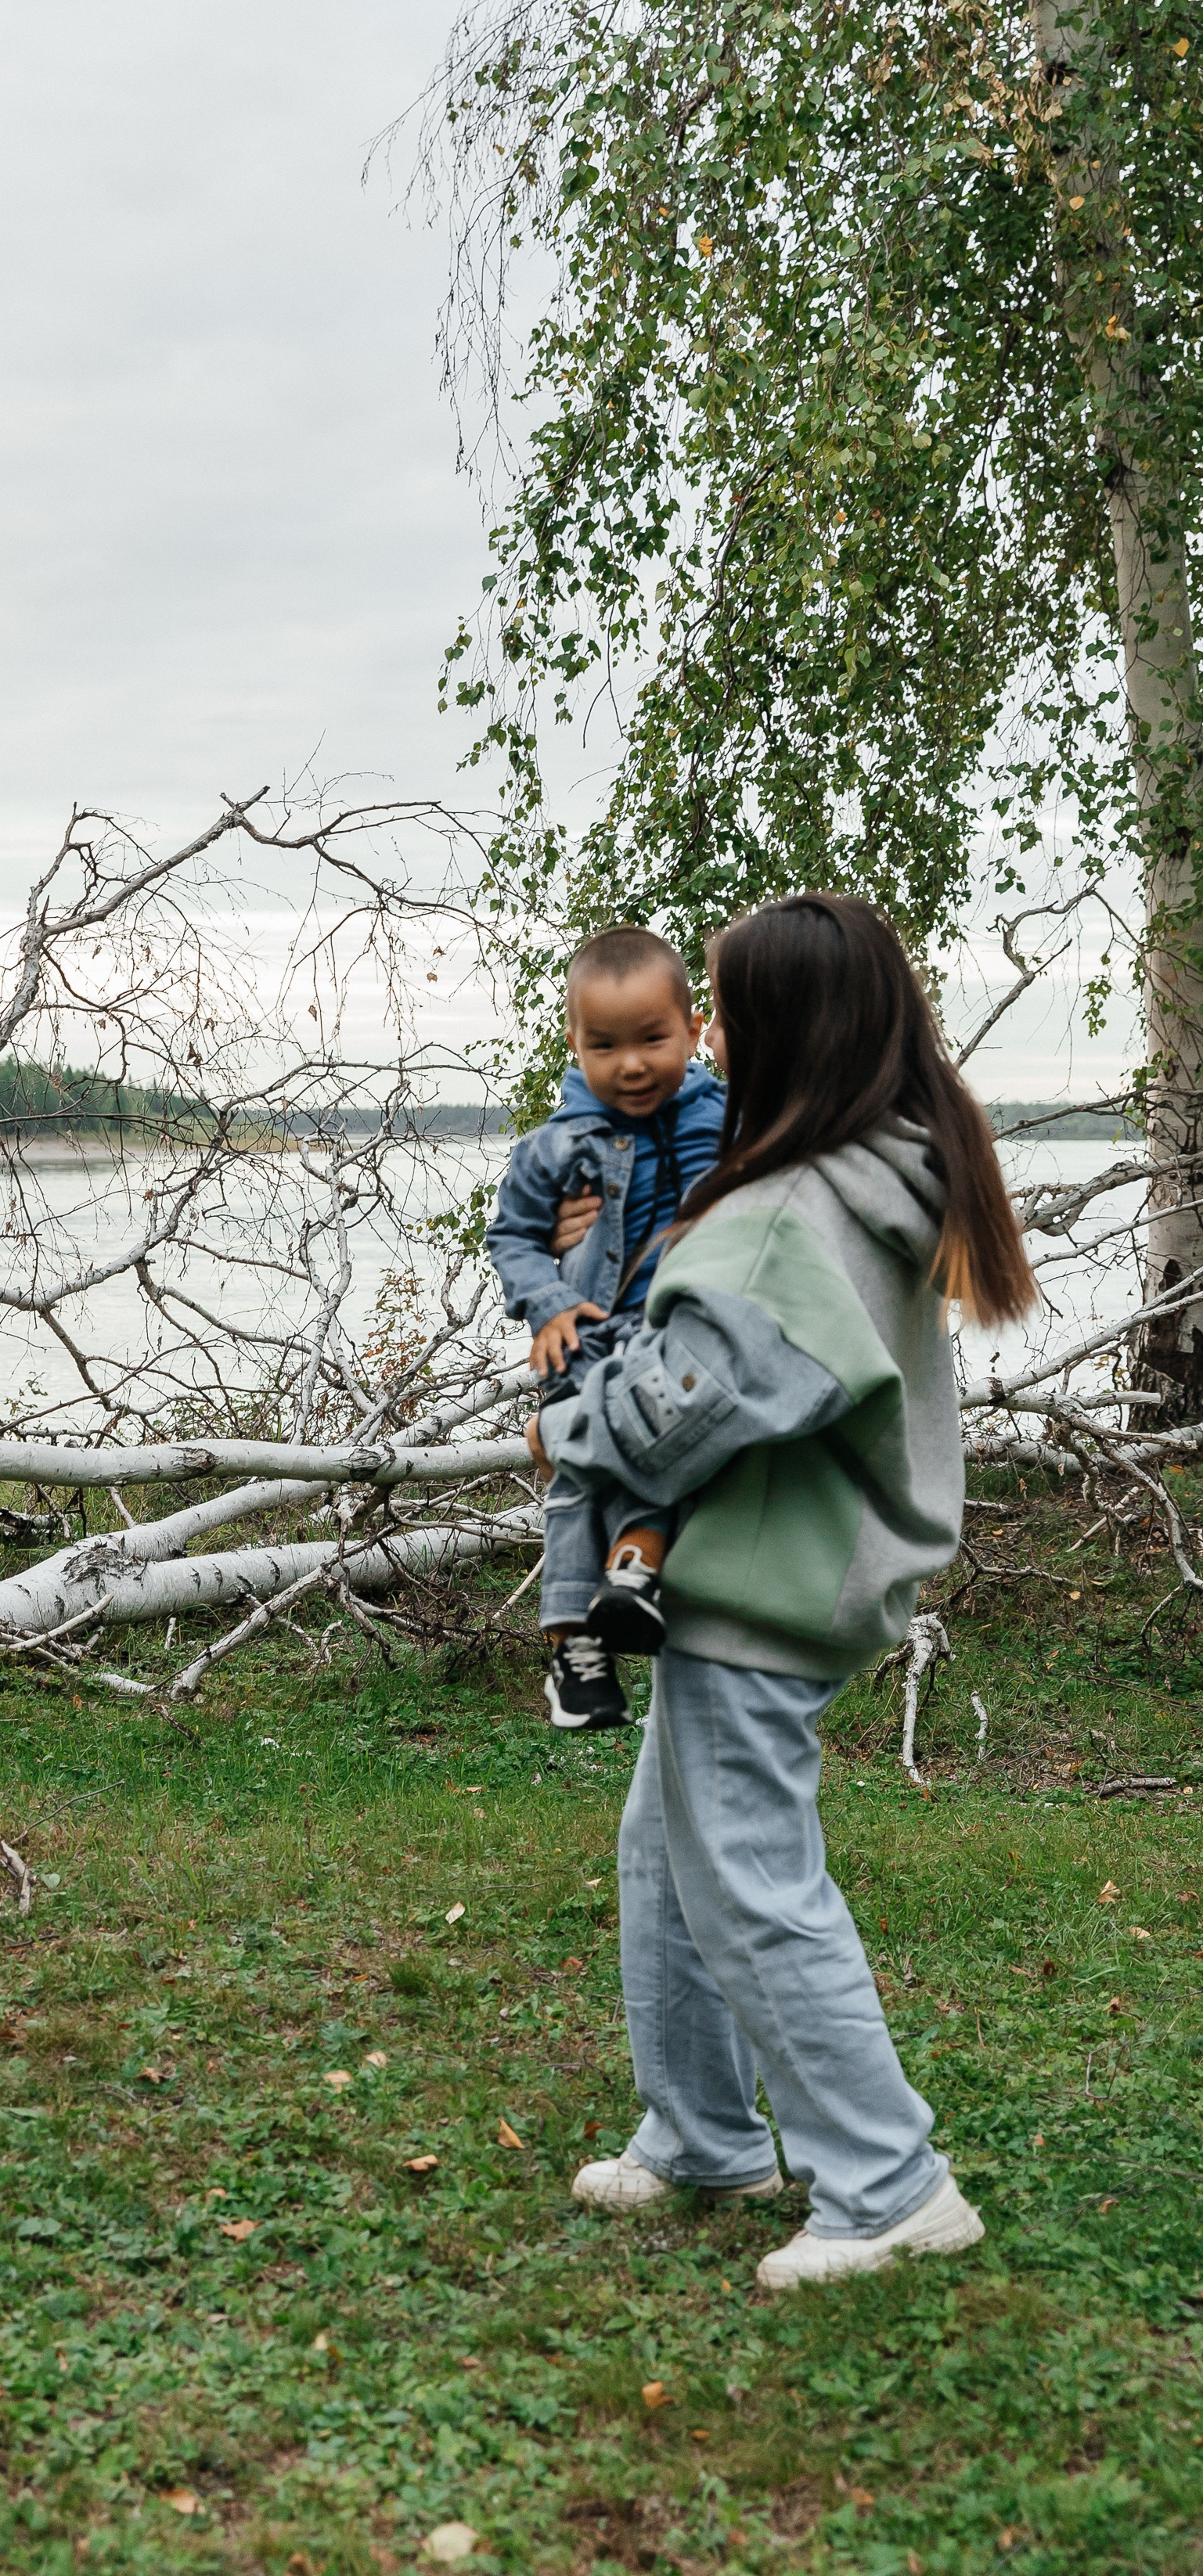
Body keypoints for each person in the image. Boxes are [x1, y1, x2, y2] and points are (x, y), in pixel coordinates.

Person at [525, 893, 1035, 2288]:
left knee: (747, 1876)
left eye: (729, 1012)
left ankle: (883, 2183)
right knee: (663, 1855)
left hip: (760, 1582)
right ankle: (699, 2133)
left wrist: (571, 1425)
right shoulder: (877, 1167)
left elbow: (698, 1398)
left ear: (777, 1026)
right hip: (804, 1567)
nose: (712, 1038)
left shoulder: (791, 1205)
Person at [486, 927, 727, 1730]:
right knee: (579, 1475)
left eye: (651, 1039)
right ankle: (572, 1649)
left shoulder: (723, 1117)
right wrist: (547, 1302)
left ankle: (632, 1573)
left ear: (693, 1031)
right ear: (574, 1043)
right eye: (604, 1044)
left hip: (680, 1335)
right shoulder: (555, 1144)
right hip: (589, 1336)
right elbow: (512, 1237)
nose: (629, 1063)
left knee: (675, 1451)